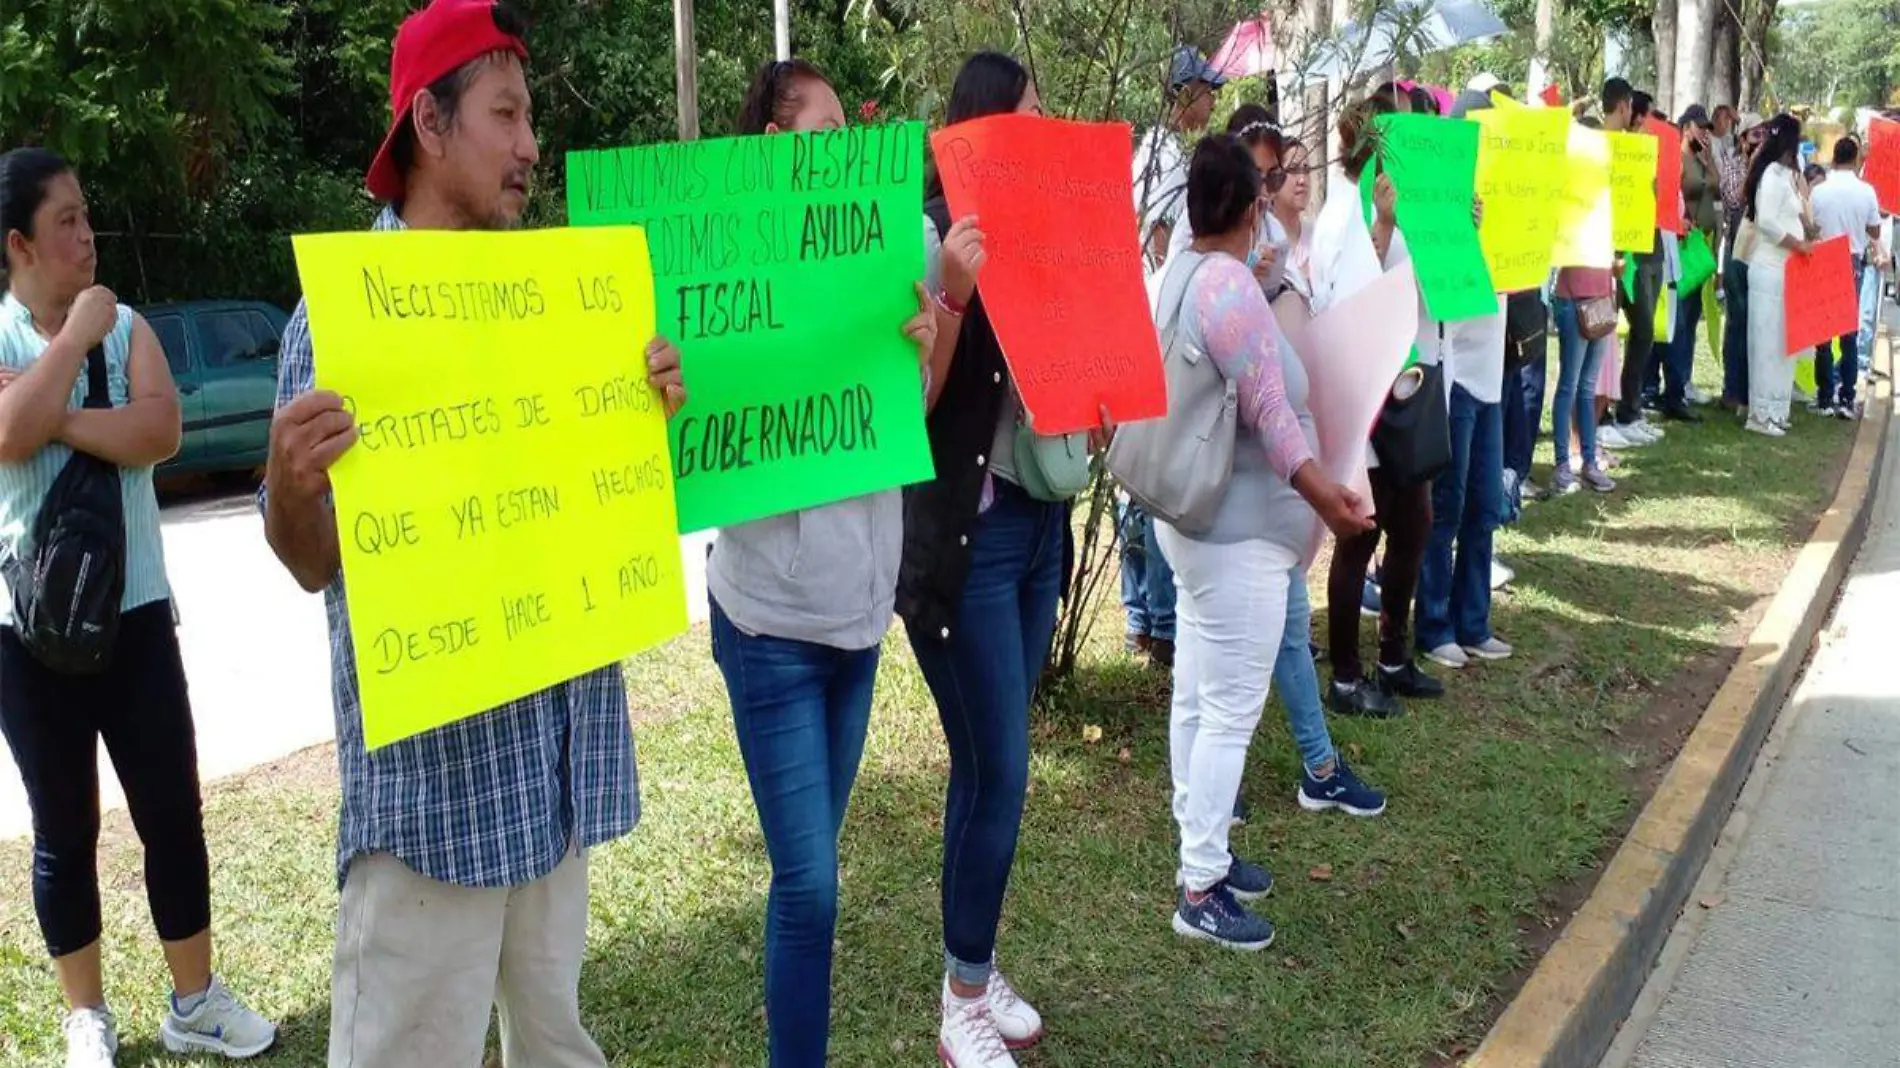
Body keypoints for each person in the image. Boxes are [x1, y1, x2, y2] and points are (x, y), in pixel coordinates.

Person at [259, 4, 684, 1065]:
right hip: (431, 805)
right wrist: (286, 482)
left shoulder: (555, 305)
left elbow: (584, 504)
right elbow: (312, 562)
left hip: (553, 771)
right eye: (507, 115)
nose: (532, 146)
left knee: (556, 1043)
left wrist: (640, 414)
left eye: (529, 117)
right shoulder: (342, 324)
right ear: (430, 127)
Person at [709, 58, 968, 1068]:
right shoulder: (728, 260)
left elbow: (921, 409)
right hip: (768, 622)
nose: (847, 142)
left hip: (858, 621)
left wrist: (930, 325)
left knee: (812, 872)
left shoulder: (897, 240)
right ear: (775, 145)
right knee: (810, 883)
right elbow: (694, 426)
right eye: (822, 127)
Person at [0, 147, 277, 1068]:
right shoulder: (18, 336)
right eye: (66, 221)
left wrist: (55, 411)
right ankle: (87, 1016)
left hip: (138, 614)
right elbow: (3, 435)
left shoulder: (134, 330)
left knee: (170, 809)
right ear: (19, 244)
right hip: (27, 630)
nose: (88, 234)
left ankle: (193, 998)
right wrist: (72, 344)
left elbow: (159, 431)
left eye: (87, 215)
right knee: (64, 824)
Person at [1152, 134, 1376, 951]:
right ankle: (1200, 885)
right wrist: (1335, 502)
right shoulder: (1230, 292)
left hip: (1194, 529)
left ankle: (1199, 849)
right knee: (1227, 714)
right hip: (1236, 538)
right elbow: (1275, 419)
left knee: (1196, 698)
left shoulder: (1182, 275)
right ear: (1250, 209)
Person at [907, 51, 1065, 1068]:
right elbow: (913, 405)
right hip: (966, 541)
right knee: (1001, 769)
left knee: (991, 763)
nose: (1043, 135)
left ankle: (973, 963)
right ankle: (961, 998)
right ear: (977, 132)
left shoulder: (1049, 228)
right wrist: (958, 291)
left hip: (1040, 524)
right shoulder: (928, 237)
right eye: (1026, 120)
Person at [1310, 91, 1437, 714]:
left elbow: (1423, 285)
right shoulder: (1342, 214)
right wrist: (1382, 229)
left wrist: (1456, 233)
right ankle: (1345, 676)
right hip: (1362, 398)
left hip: (1402, 390)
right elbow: (1352, 303)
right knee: (1360, 535)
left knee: (1414, 522)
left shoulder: (1396, 207)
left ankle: (1392, 655)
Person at [1741, 114, 1812, 436]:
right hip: (1769, 268)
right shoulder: (1770, 174)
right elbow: (1768, 222)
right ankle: (1761, 413)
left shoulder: (1787, 175)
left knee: (1786, 342)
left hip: (1789, 271)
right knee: (1767, 342)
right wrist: (1796, 243)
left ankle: (1779, 407)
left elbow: (1797, 214)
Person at [1650, 105, 1720, 422]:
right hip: (1677, 245)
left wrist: (1708, 160)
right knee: (1673, 322)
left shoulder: (1699, 159)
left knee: (1689, 320)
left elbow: (1717, 188)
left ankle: (1682, 381)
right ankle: (1667, 387)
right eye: (1700, 127)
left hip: (1697, 248)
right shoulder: (1676, 159)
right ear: (1687, 126)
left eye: (1707, 128)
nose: (1705, 132)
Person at [1608, 86, 1667, 447]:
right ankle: (1608, 415)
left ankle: (1629, 409)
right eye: (1642, 114)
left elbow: (1653, 196)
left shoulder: (1642, 152)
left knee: (1643, 331)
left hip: (1643, 249)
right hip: (1616, 255)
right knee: (1609, 333)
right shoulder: (1612, 148)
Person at [1808, 134, 1882, 418]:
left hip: (1824, 256)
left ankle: (1825, 397)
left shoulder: (1819, 191)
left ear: (1834, 158)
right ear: (1855, 160)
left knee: (1823, 334)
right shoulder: (1866, 192)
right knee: (1848, 334)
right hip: (1851, 260)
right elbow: (1874, 231)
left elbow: (1811, 226)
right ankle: (1847, 398)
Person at [1133, 46, 1225, 274]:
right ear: (1185, 94)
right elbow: (1160, 230)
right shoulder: (1166, 152)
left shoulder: (1168, 146)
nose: (1213, 102)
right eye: (1207, 91)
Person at [1721, 114, 1768, 411]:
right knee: (1737, 323)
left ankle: (1752, 388)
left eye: (1764, 135)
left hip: (1760, 253)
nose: (1760, 140)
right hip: (1738, 251)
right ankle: (1733, 389)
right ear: (1742, 138)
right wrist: (1753, 166)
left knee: (1757, 322)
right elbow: (1735, 199)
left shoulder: (1771, 168)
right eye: (1754, 135)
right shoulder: (1734, 162)